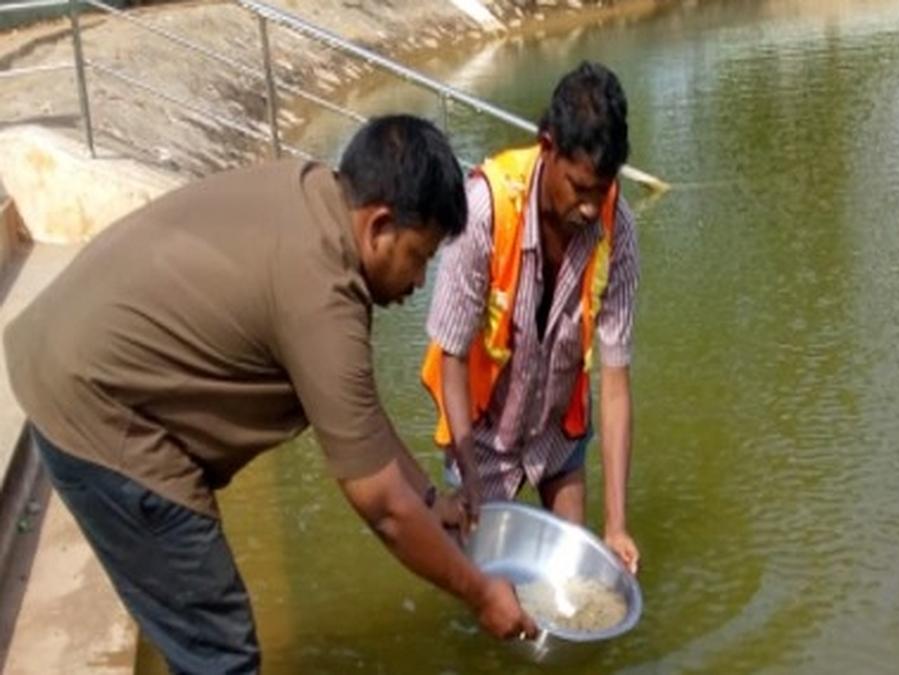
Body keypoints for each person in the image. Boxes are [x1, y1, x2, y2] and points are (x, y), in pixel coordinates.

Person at [3, 115, 536, 674]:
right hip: (96, 410)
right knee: (219, 648)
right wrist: (480, 593)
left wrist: (431, 501)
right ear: (379, 225)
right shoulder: (322, 294)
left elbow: (360, 418)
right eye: (419, 257)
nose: (420, 281)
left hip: (67, 353)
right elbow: (382, 507)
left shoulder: (312, 195)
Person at [422, 62, 641, 575]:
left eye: (602, 189)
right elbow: (451, 354)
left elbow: (614, 380)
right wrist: (470, 479)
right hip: (483, 433)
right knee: (483, 591)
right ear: (548, 147)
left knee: (575, 579)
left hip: (557, 428)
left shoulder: (618, 229)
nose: (590, 208)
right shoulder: (485, 209)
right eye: (579, 188)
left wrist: (617, 524)